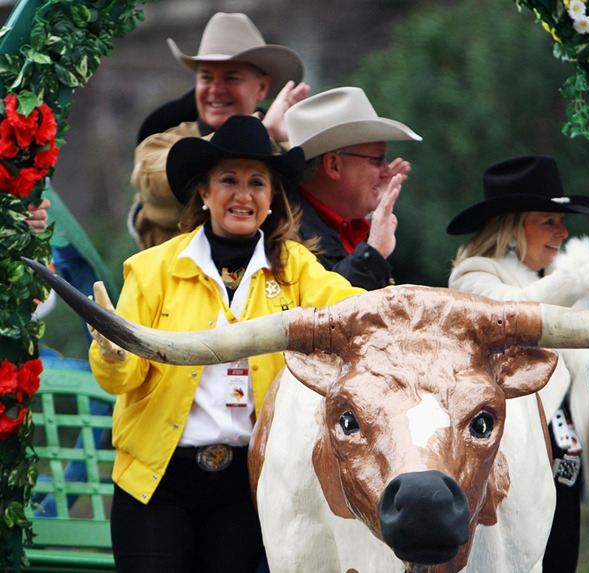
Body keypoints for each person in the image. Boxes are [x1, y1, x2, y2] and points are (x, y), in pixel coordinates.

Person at [89, 115, 363, 573]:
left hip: (247, 485)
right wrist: (112, 353)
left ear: (273, 197)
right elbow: (120, 379)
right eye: (229, 180)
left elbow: (353, 312)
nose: (243, 195)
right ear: (204, 191)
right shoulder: (153, 269)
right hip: (157, 483)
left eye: (257, 183)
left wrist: (403, 296)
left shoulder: (297, 269)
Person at [446, 155, 589, 573]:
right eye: (548, 221)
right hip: (510, 485)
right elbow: (516, 315)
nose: (563, 232)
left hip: (563, 476)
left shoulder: (552, 284)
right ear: (511, 228)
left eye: (562, 221)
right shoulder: (472, 277)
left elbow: (566, 385)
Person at [130, 12, 311, 250]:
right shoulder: (159, 145)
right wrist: (260, 134)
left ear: (262, 87)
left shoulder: (288, 153)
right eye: (206, 77)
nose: (215, 89)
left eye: (230, 78)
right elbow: (158, 184)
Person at [283, 86, 421, 289]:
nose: (386, 171)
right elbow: (325, 304)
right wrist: (373, 252)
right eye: (378, 160)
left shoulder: (341, 225)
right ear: (333, 165)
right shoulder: (283, 233)